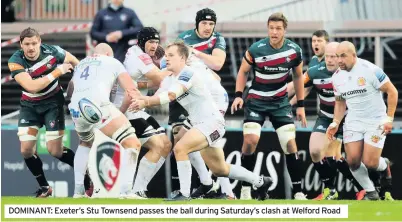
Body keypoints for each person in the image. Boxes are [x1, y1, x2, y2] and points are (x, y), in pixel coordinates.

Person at [129, 41, 272, 200]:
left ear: (183, 58)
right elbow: (157, 95)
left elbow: (170, 96)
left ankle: (184, 194)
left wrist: (145, 102)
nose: (166, 58)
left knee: (180, 148)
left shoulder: (188, 73)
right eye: (166, 55)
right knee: (220, 169)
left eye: (171, 55)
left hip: (211, 122)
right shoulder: (171, 78)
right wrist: (138, 95)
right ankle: (260, 181)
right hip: (200, 123)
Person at [231, 12, 307, 200]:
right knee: (250, 142)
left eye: (278, 28)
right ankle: (246, 189)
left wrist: (301, 105)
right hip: (256, 101)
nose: (274, 32)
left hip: (280, 103)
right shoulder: (256, 49)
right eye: (271, 28)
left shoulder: (294, 51)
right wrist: (238, 96)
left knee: (290, 143)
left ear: (284, 30)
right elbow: (242, 72)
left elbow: (298, 76)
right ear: (268, 29)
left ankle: (298, 192)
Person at [288, 40, 366, 200]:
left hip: (347, 119)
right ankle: (332, 190)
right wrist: (285, 103)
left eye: (333, 57)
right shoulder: (315, 72)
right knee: (316, 152)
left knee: (339, 157)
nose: (330, 60)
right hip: (325, 117)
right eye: (327, 56)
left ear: (340, 57)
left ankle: (364, 189)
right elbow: (299, 87)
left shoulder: (352, 73)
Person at [8, 27, 79, 197]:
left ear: (40, 42)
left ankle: (86, 174)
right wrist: (58, 71)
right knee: (26, 150)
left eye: (34, 43)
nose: (31, 47)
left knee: (55, 151)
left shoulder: (53, 52)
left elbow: (77, 63)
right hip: (29, 106)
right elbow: (31, 86)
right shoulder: (15, 60)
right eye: (27, 44)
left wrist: (77, 83)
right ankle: (45, 187)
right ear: (21, 45)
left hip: (53, 104)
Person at [171, 7, 232, 199]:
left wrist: (195, 53)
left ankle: (227, 191)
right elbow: (174, 63)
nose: (208, 27)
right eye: (204, 23)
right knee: (181, 138)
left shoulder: (217, 39)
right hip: (195, 95)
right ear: (197, 24)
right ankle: (207, 183)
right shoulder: (183, 37)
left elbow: (217, 64)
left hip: (215, 98)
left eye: (211, 24)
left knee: (209, 147)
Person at [68, 43, 142, 198]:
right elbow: (130, 90)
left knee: (85, 143)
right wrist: (141, 101)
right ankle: (126, 191)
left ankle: (78, 192)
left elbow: (70, 89)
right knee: (132, 143)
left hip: (75, 107)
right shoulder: (113, 62)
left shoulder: (81, 63)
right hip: (97, 104)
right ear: (109, 53)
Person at [326, 41, 397, 200]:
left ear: (353, 55)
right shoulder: (336, 77)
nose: (339, 60)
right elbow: (340, 102)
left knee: (370, 162)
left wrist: (389, 119)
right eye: (337, 56)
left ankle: (383, 165)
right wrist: (336, 122)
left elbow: (392, 91)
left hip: (375, 121)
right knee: (352, 162)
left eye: (343, 56)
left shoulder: (370, 70)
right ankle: (371, 193)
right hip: (353, 122)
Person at [112, 27, 172, 198]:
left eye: (156, 42)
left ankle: (139, 189)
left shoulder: (134, 52)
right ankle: (134, 189)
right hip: (128, 109)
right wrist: (176, 65)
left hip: (138, 108)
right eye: (151, 42)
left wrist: (154, 79)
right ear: (142, 42)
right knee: (157, 145)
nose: (154, 45)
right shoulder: (140, 56)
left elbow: (143, 83)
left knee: (166, 145)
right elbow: (160, 79)